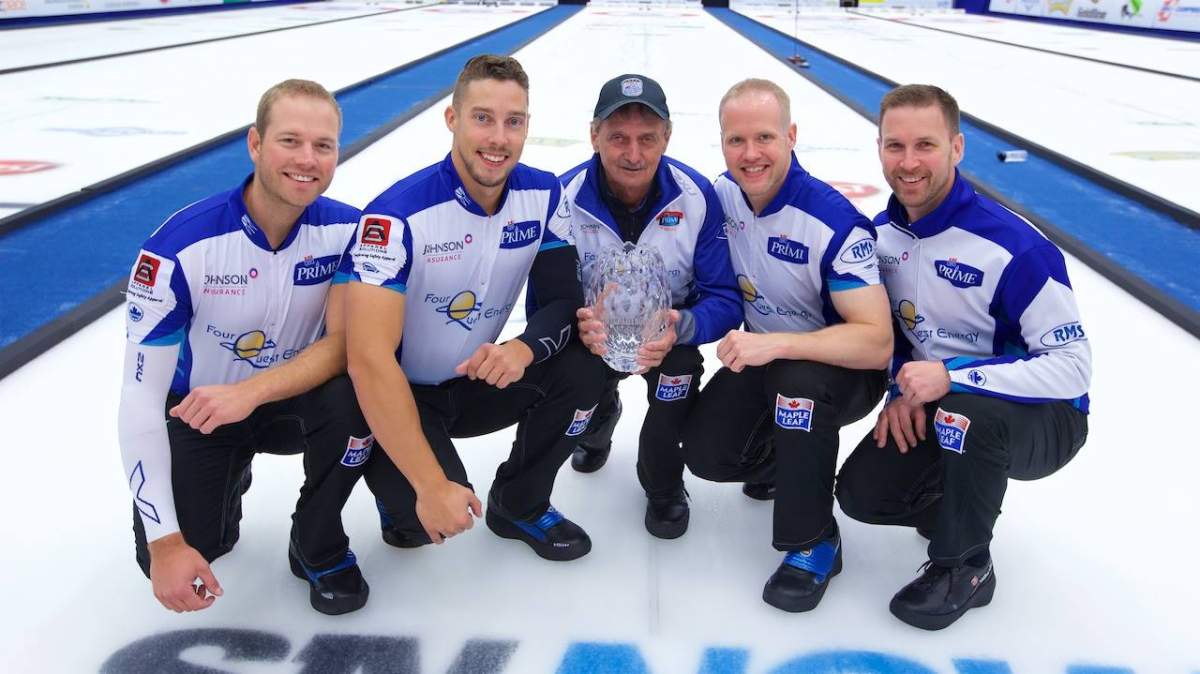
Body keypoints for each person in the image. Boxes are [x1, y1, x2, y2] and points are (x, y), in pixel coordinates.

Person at [835, 84, 1091, 630]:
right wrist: (898, 389)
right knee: (861, 495)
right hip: (940, 399)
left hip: (1045, 415)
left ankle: (965, 564)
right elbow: (890, 335)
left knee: (965, 414)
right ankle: (961, 506)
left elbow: (1072, 367)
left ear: (956, 147)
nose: (908, 163)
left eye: (925, 145)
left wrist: (949, 378)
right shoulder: (881, 239)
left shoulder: (1014, 247)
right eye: (894, 146)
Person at [117, 79, 373, 616]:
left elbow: (348, 343)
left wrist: (252, 392)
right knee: (188, 549)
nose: (308, 159)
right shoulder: (179, 249)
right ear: (255, 144)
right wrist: (165, 544)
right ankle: (227, 475)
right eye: (290, 141)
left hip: (290, 400)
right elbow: (140, 401)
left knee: (359, 392)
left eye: (323, 146)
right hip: (204, 410)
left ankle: (317, 538)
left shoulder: (351, 231)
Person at [339, 55, 605, 562]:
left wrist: (523, 349)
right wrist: (428, 484)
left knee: (587, 364)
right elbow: (367, 360)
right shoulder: (396, 216)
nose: (498, 138)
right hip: (405, 394)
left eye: (514, 121)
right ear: (452, 119)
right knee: (422, 525)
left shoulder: (544, 193)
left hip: (479, 381)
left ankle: (521, 503)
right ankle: (398, 501)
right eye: (483, 118)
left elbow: (561, 300)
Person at [682, 79, 892, 612]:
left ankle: (813, 540)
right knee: (708, 455)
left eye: (765, 137)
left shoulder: (832, 221)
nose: (750, 154)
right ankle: (787, 463)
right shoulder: (721, 196)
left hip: (838, 371)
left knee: (799, 390)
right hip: (770, 358)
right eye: (736, 140)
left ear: (791, 136)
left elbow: (876, 344)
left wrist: (775, 344)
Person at [564, 73, 741, 539]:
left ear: (667, 137)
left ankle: (663, 484)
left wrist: (682, 325)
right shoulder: (561, 198)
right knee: (570, 375)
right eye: (618, 138)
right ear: (594, 135)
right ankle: (598, 421)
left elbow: (725, 298)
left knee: (680, 370)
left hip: (666, 339)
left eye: (647, 139)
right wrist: (576, 325)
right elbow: (545, 300)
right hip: (593, 337)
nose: (634, 154)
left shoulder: (697, 196)